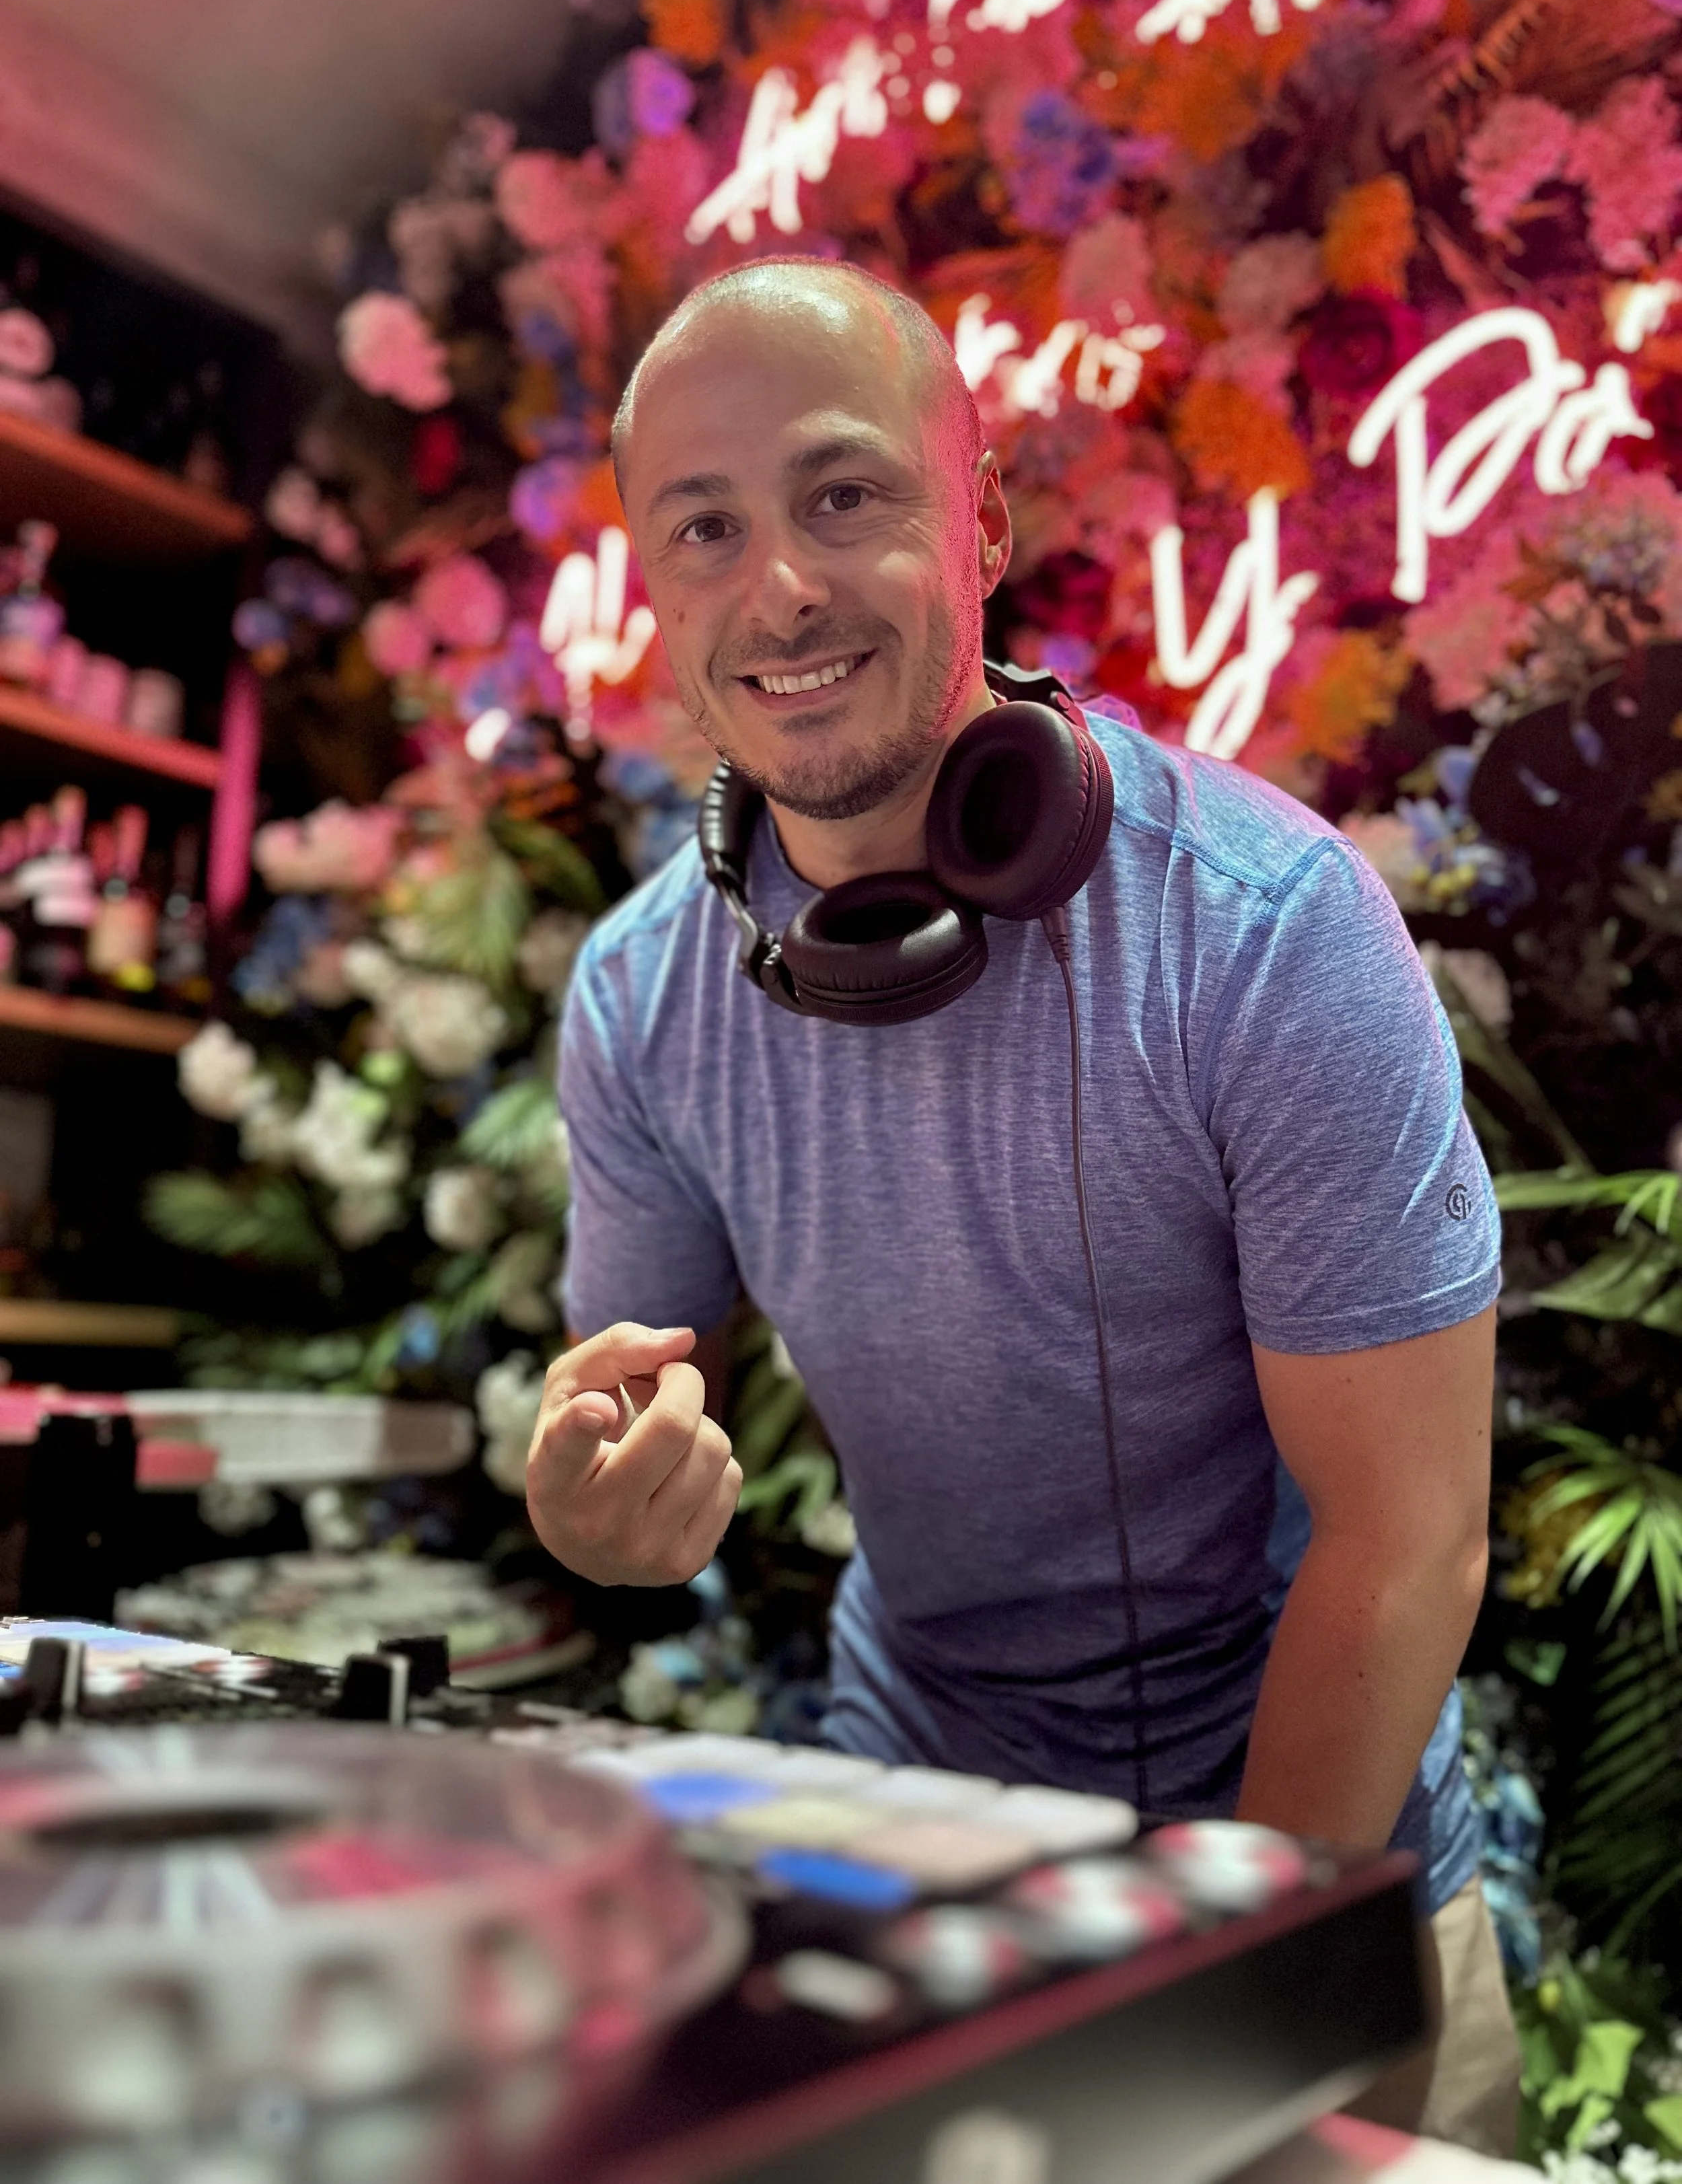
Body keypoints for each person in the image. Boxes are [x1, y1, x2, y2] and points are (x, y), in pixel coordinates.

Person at [526, 258, 1520, 2151]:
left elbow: (1407, 1540)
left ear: (978, 515)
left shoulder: (1267, 931)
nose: (781, 588)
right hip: (920, 1844)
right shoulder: (641, 996)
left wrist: (1205, 1995)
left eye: (842, 497)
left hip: (1317, 1867)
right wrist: (588, 1491)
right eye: (706, 529)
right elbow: (625, 1389)